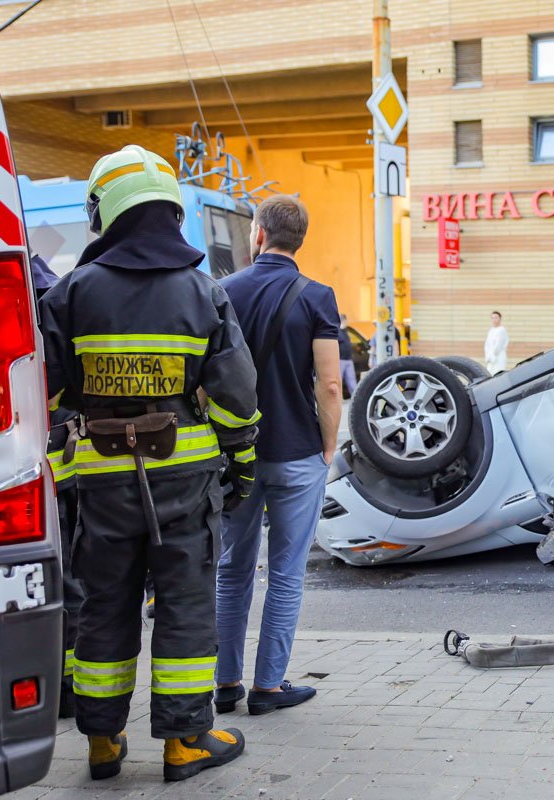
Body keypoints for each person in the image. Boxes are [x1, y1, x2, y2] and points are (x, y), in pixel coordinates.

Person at [39, 145, 260, 783]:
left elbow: (43, 393)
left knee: (103, 604)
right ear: (169, 209)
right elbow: (235, 396)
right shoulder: (202, 291)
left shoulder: (70, 294)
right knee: (185, 604)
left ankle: (102, 742)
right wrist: (242, 465)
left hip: (102, 483)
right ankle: (185, 742)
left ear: (103, 211)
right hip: (184, 483)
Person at [215, 194, 343, 716]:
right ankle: (268, 686)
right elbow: (329, 384)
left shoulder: (222, 292)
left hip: (235, 455)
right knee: (286, 573)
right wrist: (328, 447)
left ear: (260, 234)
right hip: (297, 455)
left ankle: (224, 683)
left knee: (231, 569)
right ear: (299, 240)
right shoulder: (318, 296)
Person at [31, 254, 84, 720]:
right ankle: (68, 686)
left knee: (63, 582)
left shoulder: (34, 301)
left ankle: (65, 687)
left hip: (45, 470)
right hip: (64, 465)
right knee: (72, 581)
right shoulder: (58, 297)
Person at [337, 314, 358, 397]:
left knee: (352, 380)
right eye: (346, 320)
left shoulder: (345, 332)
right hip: (340, 360)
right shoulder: (337, 332)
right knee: (339, 380)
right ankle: (338, 398)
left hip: (348, 359)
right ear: (344, 320)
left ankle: (355, 397)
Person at [484, 310, 509, 374]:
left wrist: (493, 355)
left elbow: (499, 345)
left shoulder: (502, 330)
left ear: (500, 319)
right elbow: (487, 345)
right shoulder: (491, 330)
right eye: (492, 318)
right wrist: (488, 355)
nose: (494, 320)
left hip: (498, 357)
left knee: (498, 374)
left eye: (496, 318)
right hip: (491, 358)